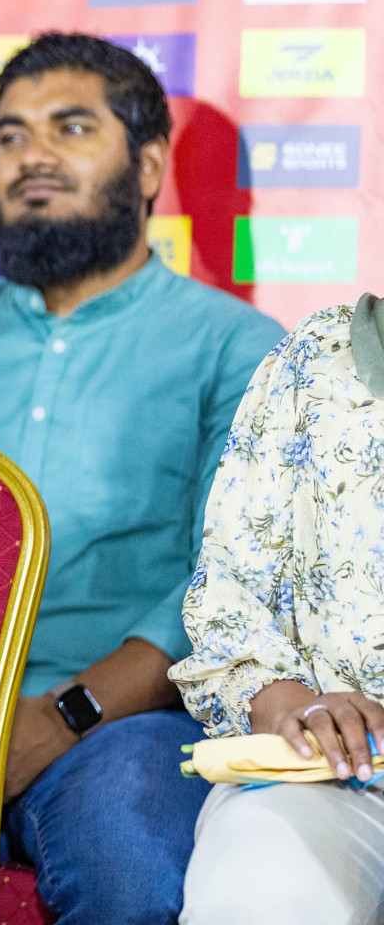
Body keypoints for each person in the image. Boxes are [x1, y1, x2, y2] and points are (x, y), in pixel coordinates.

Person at [0, 33, 286, 925]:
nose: (32, 157)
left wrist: (67, 715)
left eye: (72, 128)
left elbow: (229, 582)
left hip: (123, 726)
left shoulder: (236, 350)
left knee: (128, 853)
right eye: (11, 136)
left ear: (150, 164)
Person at [173, 295, 384, 925]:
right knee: (257, 885)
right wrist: (294, 704)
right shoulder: (319, 355)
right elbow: (231, 592)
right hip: (342, 773)